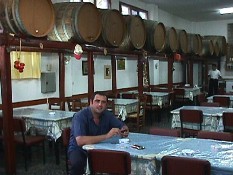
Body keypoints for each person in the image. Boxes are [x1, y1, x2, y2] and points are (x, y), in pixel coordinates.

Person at [68, 91, 129, 175]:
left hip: (99, 148)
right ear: (91, 102)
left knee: (118, 161)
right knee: (77, 163)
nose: (100, 104)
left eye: (103, 102)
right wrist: (107, 136)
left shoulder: (107, 115)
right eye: (97, 101)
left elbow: (122, 125)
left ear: (106, 104)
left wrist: (124, 130)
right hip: (79, 149)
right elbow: (80, 141)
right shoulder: (80, 116)